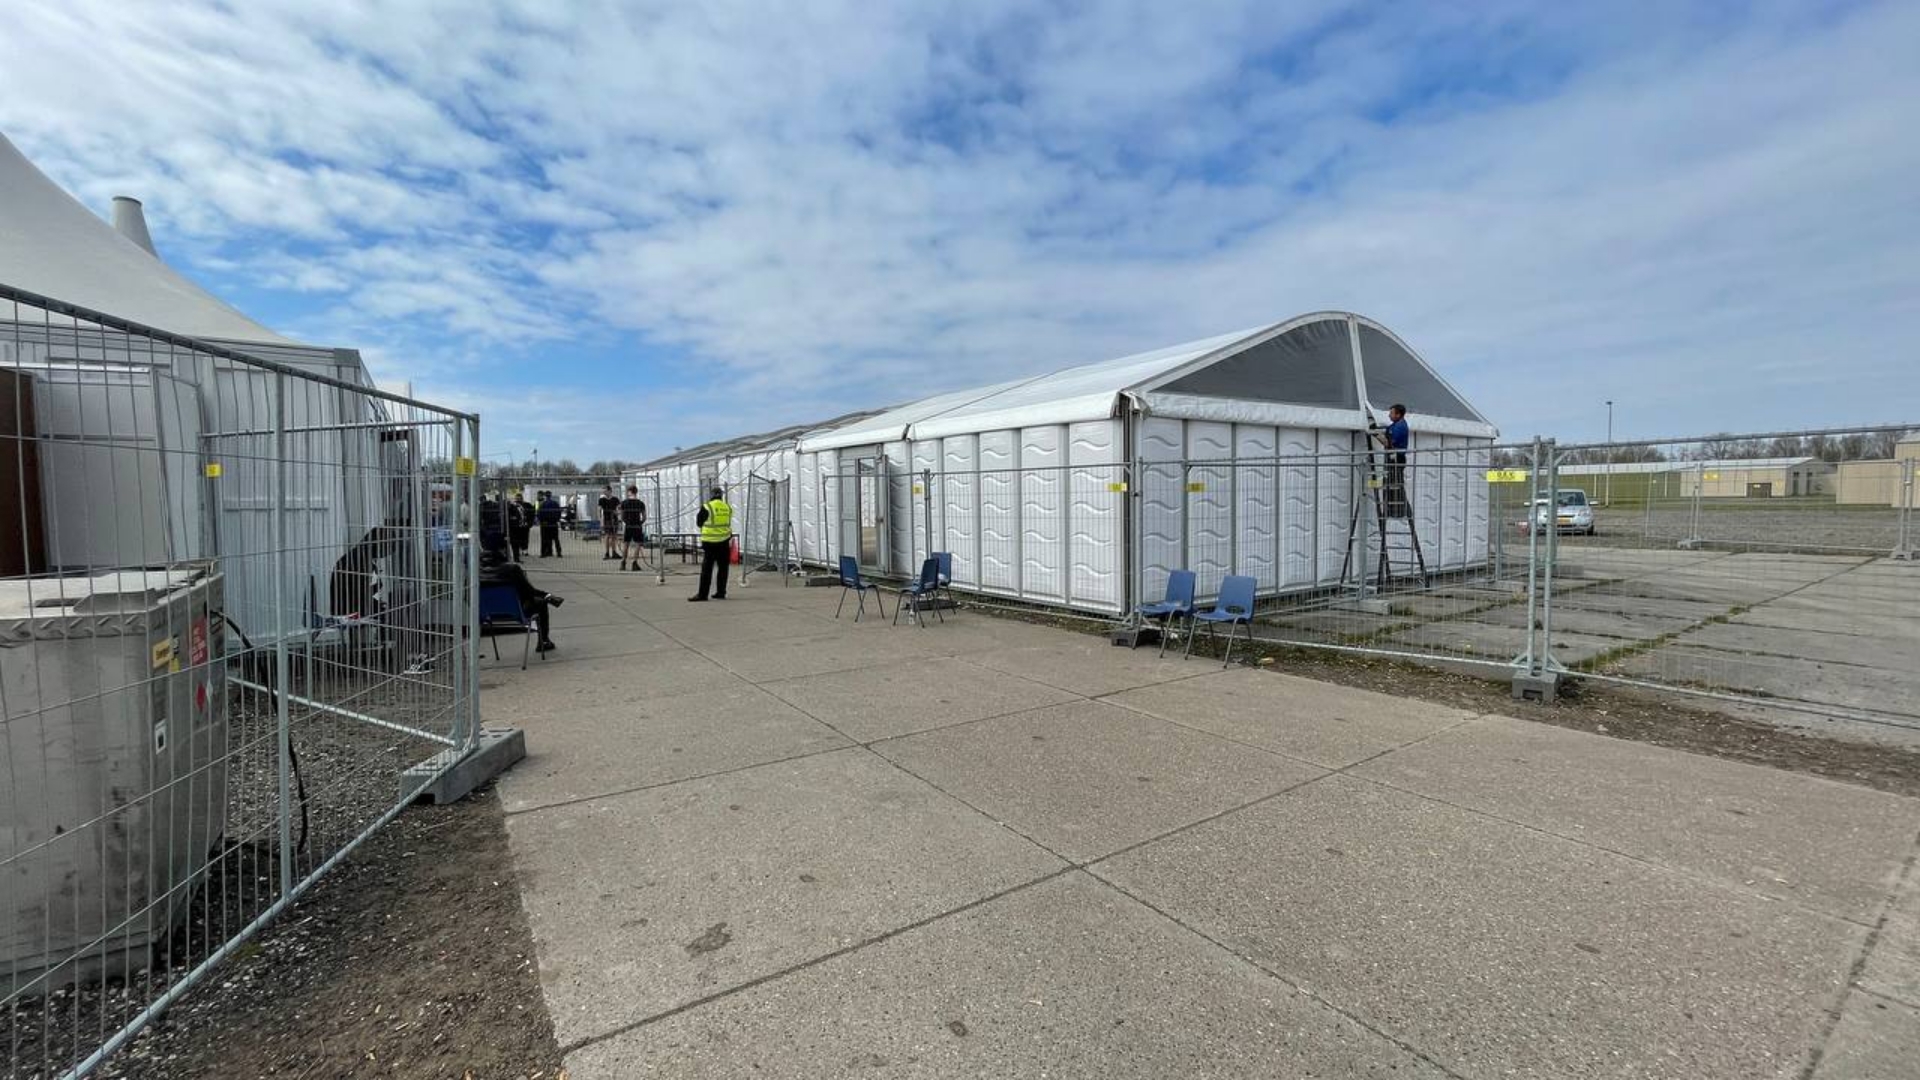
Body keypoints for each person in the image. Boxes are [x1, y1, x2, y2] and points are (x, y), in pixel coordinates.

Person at [480, 549, 564, 653]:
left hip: (485, 613)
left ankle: (548, 598)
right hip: (516, 611)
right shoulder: (511, 569)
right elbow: (528, 591)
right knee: (541, 603)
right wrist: (546, 595)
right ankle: (544, 641)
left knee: (537, 599)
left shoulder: (476, 575)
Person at [689, 486, 732, 601]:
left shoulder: (707, 507)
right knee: (723, 568)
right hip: (724, 542)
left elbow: (699, 523)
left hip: (710, 543)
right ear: (721, 496)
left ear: (711, 495)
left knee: (707, 569)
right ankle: (721, 592)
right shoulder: (727, 507)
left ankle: (703, 595)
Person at [1374, 403, 1411, 517]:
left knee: (1395, 483)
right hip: (1392, 458)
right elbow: (1387, 431)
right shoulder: (1394, 425)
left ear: (1398, 415)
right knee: (1390, 482)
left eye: (1391, 413)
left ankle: (1398, 510)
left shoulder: (1400, 427)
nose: (1389, 415)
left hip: (1397, 459)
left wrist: (1377, 435)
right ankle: (1391, 509)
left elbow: (1389, 443)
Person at [618, 484, 650, 571]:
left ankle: (623, 563)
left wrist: (626, 522)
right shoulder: (640, 503)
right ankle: (634, 563)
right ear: (636, 492)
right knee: (638, 544)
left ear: (629, 492)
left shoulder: (624, 503)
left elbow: (621, 517)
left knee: (626, 544)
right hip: (637, 526)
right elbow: (644, 517)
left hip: (628, 526)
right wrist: (640, 522)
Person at [598, 484, 622, 560]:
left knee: (614, 536)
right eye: (603, 490)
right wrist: (600, 520)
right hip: (606, 520)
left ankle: (614, 552)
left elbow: (620, 509)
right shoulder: (602, 500)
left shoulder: (615, 499)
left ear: (609, 491)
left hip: (614, 519)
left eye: (605, 490)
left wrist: (617, 513)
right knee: (607, 536)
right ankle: (607, 553)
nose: (603, 492)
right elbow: (599, 510)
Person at [508, 493, 533, 562]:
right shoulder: (513, 506)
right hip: (520, 526)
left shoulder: (514, 506)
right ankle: (522, 551)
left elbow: (531, 514)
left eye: (519, 498)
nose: (518, 499)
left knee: (522, 539)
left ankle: (523, 550)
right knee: (521, 539)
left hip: (521, 526)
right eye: (517, 498)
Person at [538, 490, 563, 557]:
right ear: (550, 495)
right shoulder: (555, 503)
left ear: (545, 496)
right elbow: (559, 513)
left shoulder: (542, 504)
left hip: (545, 524)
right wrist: (556, 520)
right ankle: (559, 552)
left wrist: (542, 521)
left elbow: (539, 514)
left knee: (545, 539)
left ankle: (544, 553)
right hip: (553, 523)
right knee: (556, 539)